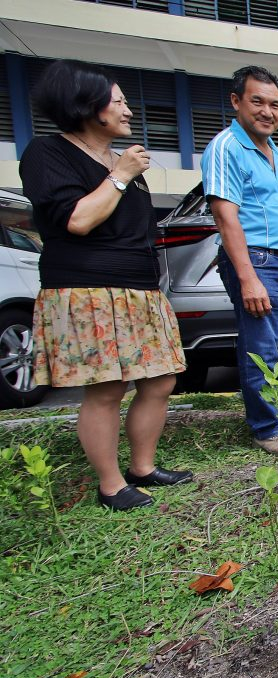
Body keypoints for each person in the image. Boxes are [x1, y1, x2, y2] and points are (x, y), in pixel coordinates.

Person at [20, 60, 192, 510]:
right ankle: (111, 485)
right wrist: (120, 176)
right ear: (88, 107)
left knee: (160, 380)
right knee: (106, 388)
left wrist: (123, 171)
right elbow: (76, 220)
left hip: (140, 289)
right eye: (119, 102)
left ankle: (143, 466)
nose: (129, 111)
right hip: (86, 290)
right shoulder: (47, 153)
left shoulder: (123, 162)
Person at [203, 65, 278, 456]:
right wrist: (248, 277)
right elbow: (225, 215)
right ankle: (267, 427)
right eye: (258, 102)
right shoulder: (226, 147)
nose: (268, 111)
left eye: (275, 104)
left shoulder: (276, 152)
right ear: (236, 101)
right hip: (259, 262)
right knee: (263, 348)